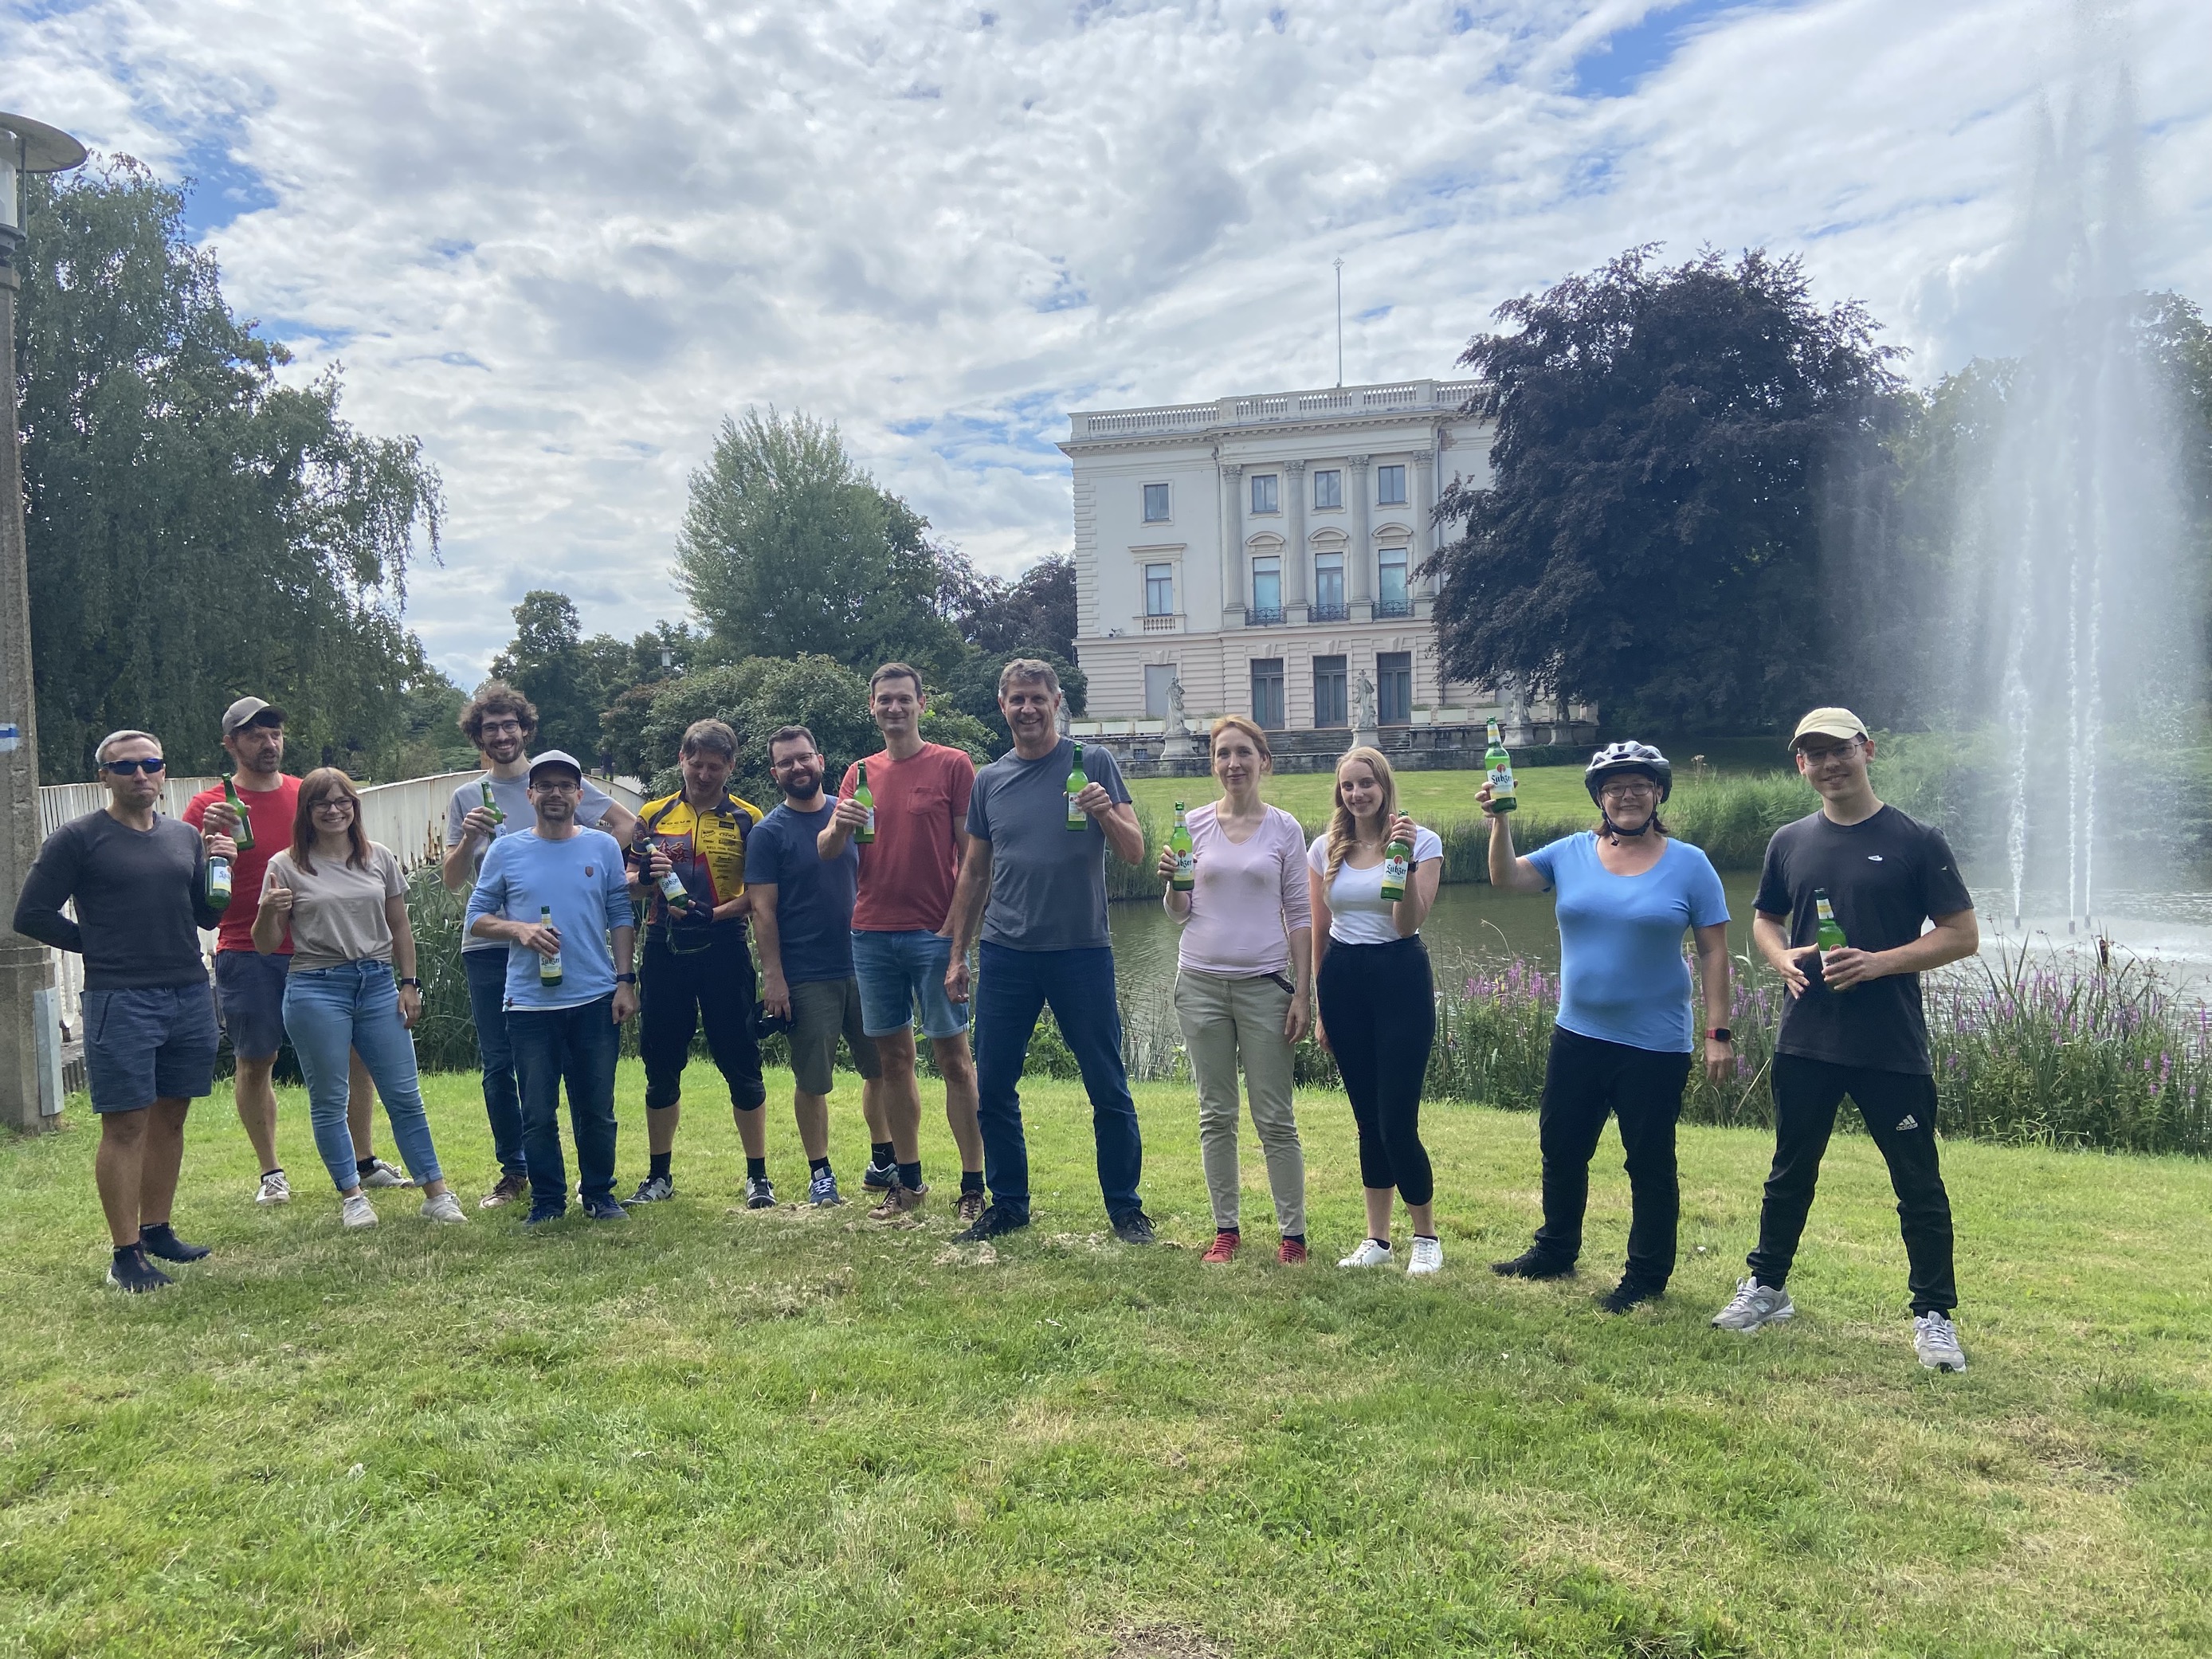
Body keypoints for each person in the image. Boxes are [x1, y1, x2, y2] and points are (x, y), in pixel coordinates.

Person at [1712, 708, 1979, 1373]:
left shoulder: (1917, 839)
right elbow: (1765, 921)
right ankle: (1768, 1288)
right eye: (1813, 755)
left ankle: (1934, 1316)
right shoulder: (1789, 840)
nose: (1829, 764)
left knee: (1918, 1183)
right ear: (1800, 766)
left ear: (1868, 750)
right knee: (1789, 1171)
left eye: (1840, 750)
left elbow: (1961, 934)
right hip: (1806, 1039)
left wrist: (1879, 962)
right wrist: (1777, 959)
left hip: (1891, 1044)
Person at [1482, 742, 1733, 1312]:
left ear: (1658, 793)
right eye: (1614, 786)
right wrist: (1497, 822)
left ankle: (1645, 1276)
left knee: (1648, 1161)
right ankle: (1555, 1250)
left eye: (1639, 785)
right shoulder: (1571, 852)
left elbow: (1715, 953)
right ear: (1599, 796)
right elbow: (1505, 879)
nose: (1626, 795)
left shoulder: (1690, 864)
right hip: (1578, 1034)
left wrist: (1719, 1034)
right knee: (1562, 1147)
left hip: (1654, 1044)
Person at [943, 658, 1151, 1243]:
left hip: (1081, 950)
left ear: (1058, 702)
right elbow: (975, 873)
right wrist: (957, 954)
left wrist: (1104, 810)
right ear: (1003, 706)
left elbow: (1135, 852)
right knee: (994, 1085)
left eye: (1038, 698)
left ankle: (1125, 1209)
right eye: (1017, 700)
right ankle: (1008, 1204)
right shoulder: (990, 780)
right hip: (1007, 952)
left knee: (1107, 1086)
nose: (1028, 709)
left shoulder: (1094, 764)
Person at [14, 731, 230, 1291]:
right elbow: (31, 913)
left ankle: (157, 1228)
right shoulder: (79, 839)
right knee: (126, 1122)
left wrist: (220, 867)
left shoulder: (185, 836)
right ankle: (125, 1253)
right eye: (126, 766)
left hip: (187, 990)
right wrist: (99, 943)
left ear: (163, 772)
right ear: (103, 777)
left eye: (151, 764)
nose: (141, 775)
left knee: (171, 1116)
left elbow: (206, 919)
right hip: (120, 998)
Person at [185, 697, 400, 1205]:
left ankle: (363, 1161)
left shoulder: (307, 795)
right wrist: (203, 839)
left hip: (326, 953)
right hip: (248, 947)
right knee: (257, 1058)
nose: (268, 742)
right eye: (255, 733)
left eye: (274, 732)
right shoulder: (209, 806)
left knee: (355, 1056)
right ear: (231, 744)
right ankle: (271, 1172)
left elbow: (353, 858)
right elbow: (190, 880)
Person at [442, 680, 632, 1208]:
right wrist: (469, 841)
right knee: (506, 1069)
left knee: (587, 1084)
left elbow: (629, 826)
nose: (501, 735)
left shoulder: (562, 784)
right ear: (477, 736)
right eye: (490, 728)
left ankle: (593, 1188)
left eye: (510, 725)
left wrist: (592, 873)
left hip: (571, 955)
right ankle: (518, 1173)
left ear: (525, 729)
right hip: (495, 952)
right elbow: (455, 884)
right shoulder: (467, 798)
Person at [254, 769, 465, 1229]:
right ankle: (352, 1197)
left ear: (355, 807)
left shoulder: (379, 858)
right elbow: (267, 944)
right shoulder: (286, 864)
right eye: (322, 803)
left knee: (405, 1095)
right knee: (330, 1097)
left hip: (376, 984)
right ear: (306, 812)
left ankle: (436, 1193)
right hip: (315, 986)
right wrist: (270, 913)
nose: (334, 811)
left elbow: (401, 927)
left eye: (343, 801)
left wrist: (409, 983)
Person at [819, 663, 986, 1224]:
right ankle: (908, 1181)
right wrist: (839, 823)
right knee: (893, 1061)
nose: (894, 708)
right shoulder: (859, 772)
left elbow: (972, 860)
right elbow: (826, 850)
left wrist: (958, 940)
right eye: (884, 700)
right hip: (870, 934)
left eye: (904, 699)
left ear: (921, 703)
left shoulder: (952, 765)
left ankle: (973, 1185)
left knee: (955, 1061)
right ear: (872, 707)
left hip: (933, 936)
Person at [1157, 716, 1313, 1264]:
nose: (1233, 764)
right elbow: (1179, 914)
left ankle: (1293, 1235)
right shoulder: (1193, 826)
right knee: (1214, 1112)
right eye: (1223, 754)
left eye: (1244, 753)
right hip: (1199, 984)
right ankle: (1226, 1228)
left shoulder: (1284, 829)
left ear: (1263, 761)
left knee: (1274, 1116)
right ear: (1213, 763)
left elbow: (1300, 913)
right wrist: (1172, 885)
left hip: (1265, 988)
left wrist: (1302, 994)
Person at [1308, 747, 1445, 1275]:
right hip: (1344, 980)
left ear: (1384, 787)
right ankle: (1378, 1240)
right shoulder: (1326, 848)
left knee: (1397, 1120)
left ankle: (1426, 1238)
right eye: (1348, 786)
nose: (1357, 794)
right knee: (1367, 1121)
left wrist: (1402, 859)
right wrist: (1320, 1007)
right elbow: (1321, 931)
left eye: (1367, 783)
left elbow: (1408, 923)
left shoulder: (1421, 841)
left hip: (1400, 977)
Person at [624, 719, 764, 1204]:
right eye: (696, 764)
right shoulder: (653, 813)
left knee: (740, 1059)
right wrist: (643, 875)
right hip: (664, 946)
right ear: (681, 760)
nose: (703, 774)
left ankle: (757, 1176)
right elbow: (632, 887)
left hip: (725, 944)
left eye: (714, 766)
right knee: (661, 1063)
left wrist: (714, 912)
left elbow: (762, 895)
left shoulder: (749, 817)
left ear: (730, 767)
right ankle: (659, 1175)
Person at [743, 726, 881, 1208]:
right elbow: (763, 911)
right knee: (813, 1078)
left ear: (820, 761)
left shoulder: (854, 813)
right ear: (775, 772)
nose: (797, 767)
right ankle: (820, 1172)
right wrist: (774, 978)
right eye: (786, 762)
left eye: (804, 758)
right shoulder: (768, 834)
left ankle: (882, 1158)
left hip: (868, 962)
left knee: (883, 1066)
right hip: (805, 973)